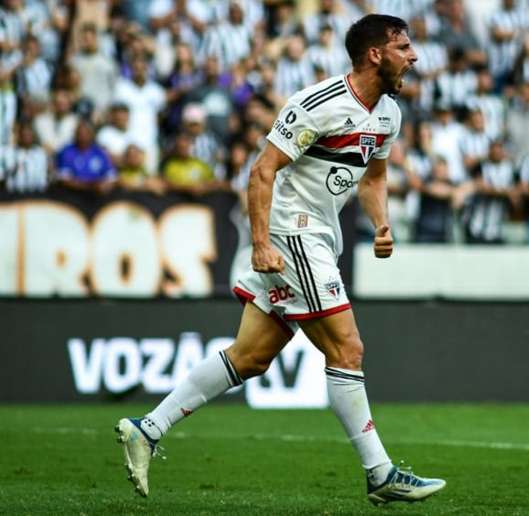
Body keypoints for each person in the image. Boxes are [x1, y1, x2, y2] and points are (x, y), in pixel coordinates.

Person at [116, 14, 445, 505]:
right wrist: (261, 242)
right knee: (347, 349)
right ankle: (380, 472)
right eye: (403, 46)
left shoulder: (389, 114)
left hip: (323, 237)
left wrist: (380, 224)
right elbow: (262, 170)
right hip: (294, 233)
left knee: (250, 357)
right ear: (375, 54)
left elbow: (373, 179)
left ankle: (148, 427)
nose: (413, 56)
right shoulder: (318, 104)